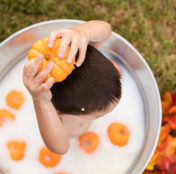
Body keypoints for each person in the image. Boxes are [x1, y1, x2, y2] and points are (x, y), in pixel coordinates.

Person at [22, 20, 122, 155]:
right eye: (100, 115)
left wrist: (83, 32)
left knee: (117, 68)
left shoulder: (80, 56)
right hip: (72, 133)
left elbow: (106, 29)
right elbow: (60, 148)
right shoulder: (52, 113)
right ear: (59, 113)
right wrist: (41, 100)